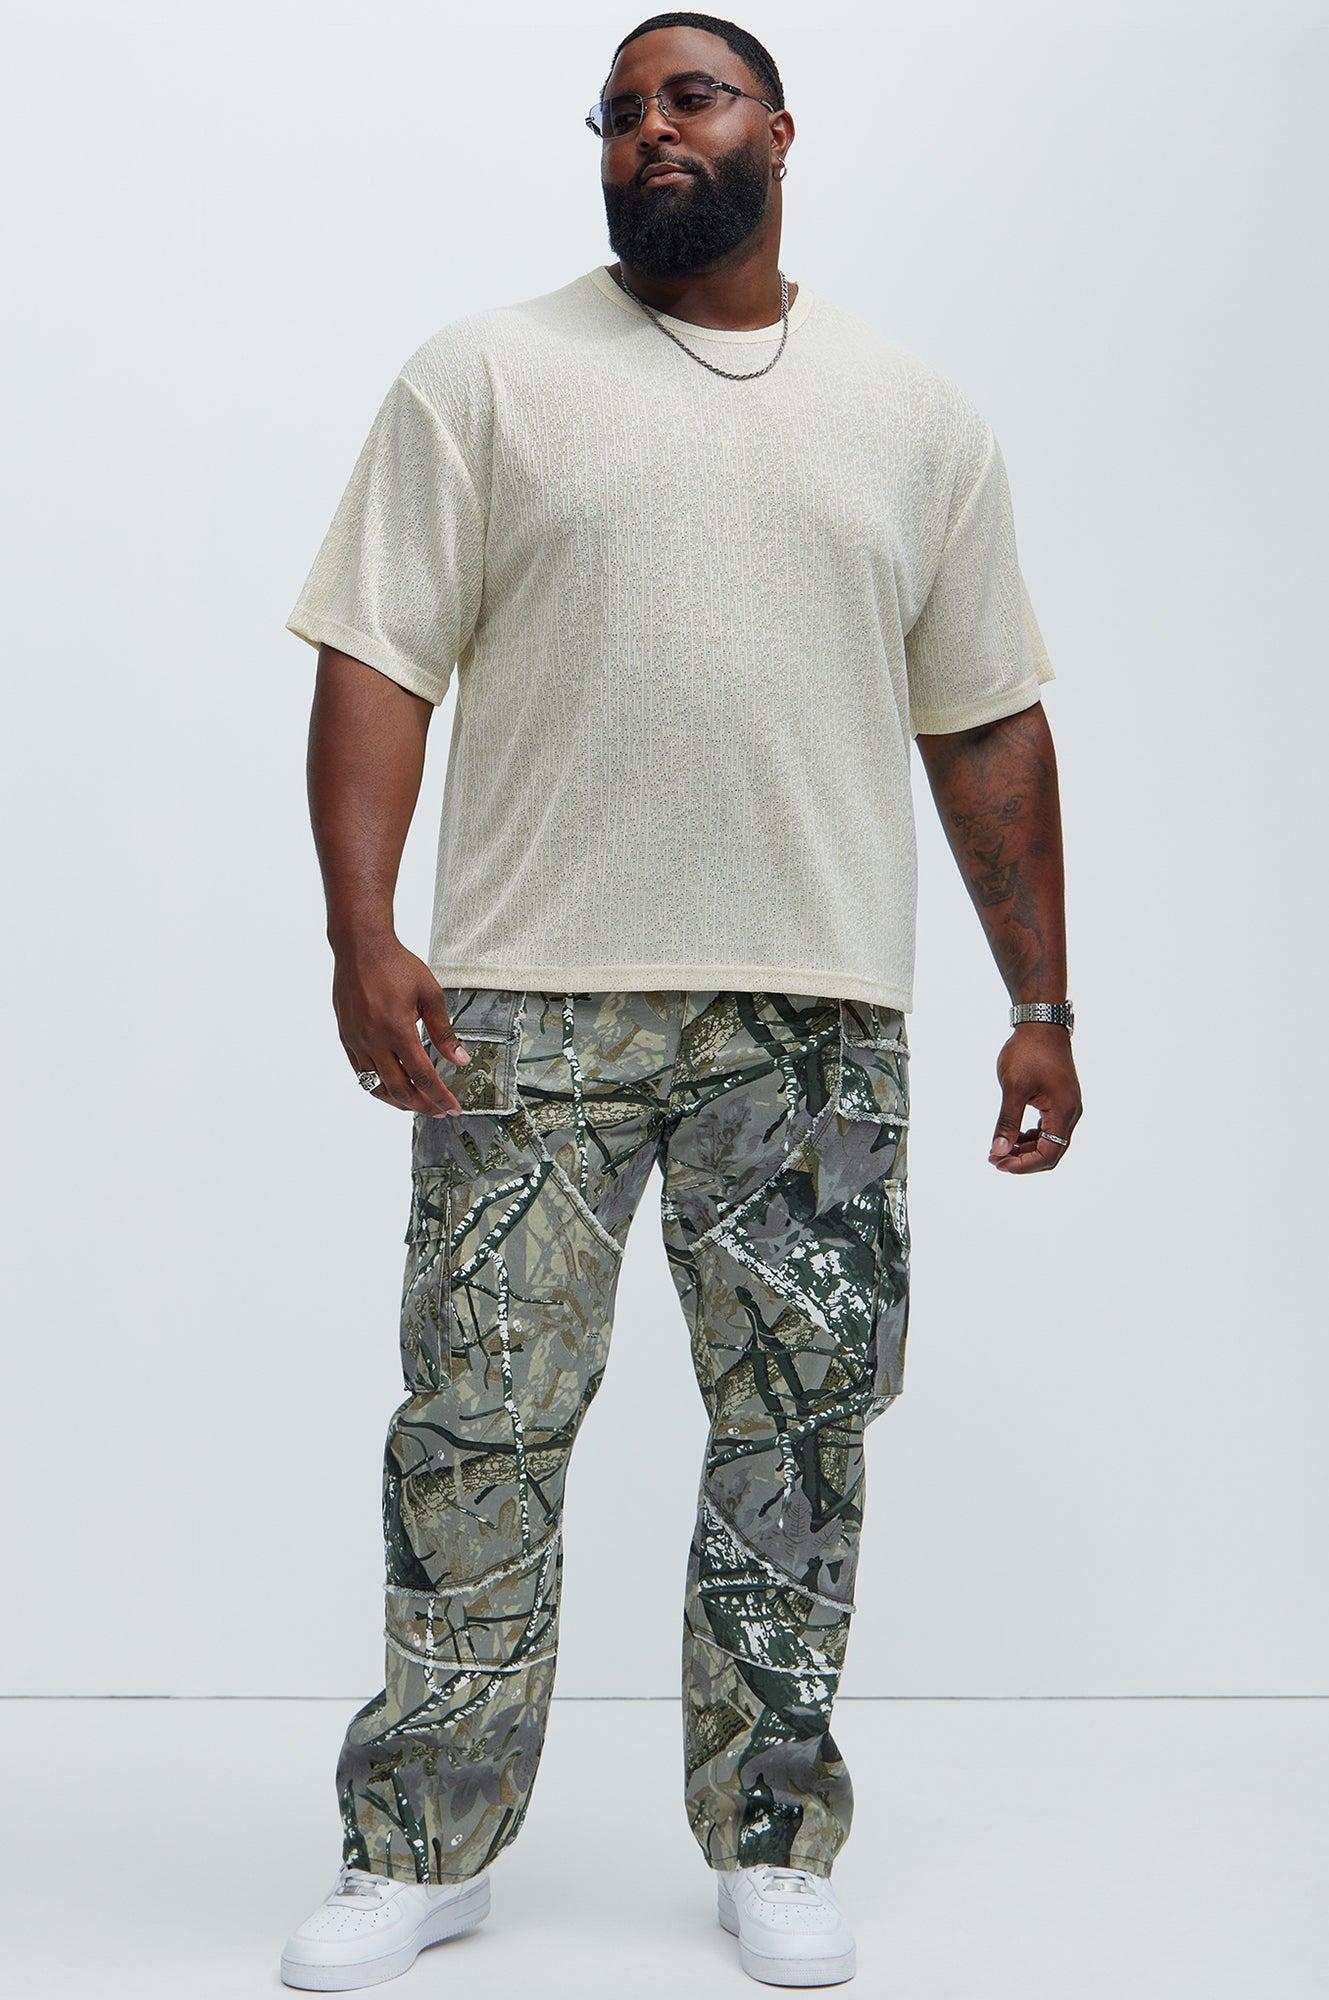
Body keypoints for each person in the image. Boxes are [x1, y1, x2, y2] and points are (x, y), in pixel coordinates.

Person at [277, 10, 1082, 1990]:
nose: (649, 129)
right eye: (619, 108)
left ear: (778, 133)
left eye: (690, 97)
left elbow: (984, 723)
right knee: (477, 1427)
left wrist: (1041, 1005)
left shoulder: (913, 418)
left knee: (796, 1438)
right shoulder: (484, 378)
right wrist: (362, 931)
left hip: (811, 1013)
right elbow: (377, 658)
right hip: (525, 1003)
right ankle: (422, 1846)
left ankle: (772, 1837)